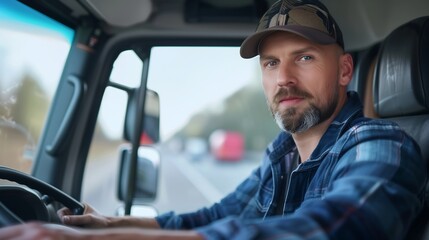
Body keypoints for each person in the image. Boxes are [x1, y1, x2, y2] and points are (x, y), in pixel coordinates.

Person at [0, 0, 426, 239]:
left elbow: (329, 231)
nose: (284, 79)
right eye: (271, 63)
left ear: (345, 71)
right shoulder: (283, 155)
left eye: (305, 58)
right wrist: (109, 223)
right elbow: (215, 216)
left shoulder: (381, 143)